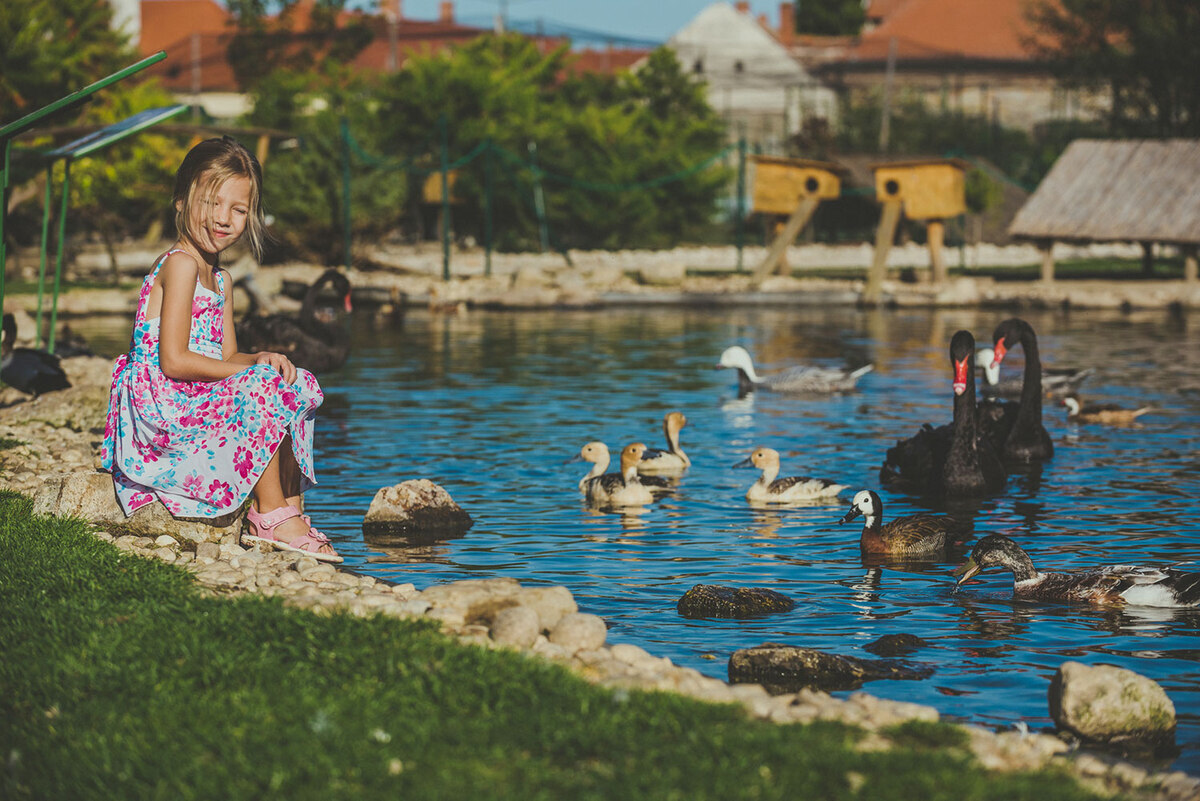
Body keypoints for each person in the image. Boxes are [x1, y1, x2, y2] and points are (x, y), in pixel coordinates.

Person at [101, 136, 341, 562]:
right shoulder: (181, 265)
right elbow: (173, 360)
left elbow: (227, 357)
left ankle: (291, 508)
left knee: (297, 381)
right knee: (261, 388)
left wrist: (260, 359)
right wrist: (251, 376)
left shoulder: (222, 279)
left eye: (239, 209)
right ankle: (270, 516)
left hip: (195, 391)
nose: (224, 218)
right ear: (181, 200)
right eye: (213, 203)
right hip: (164, 405)